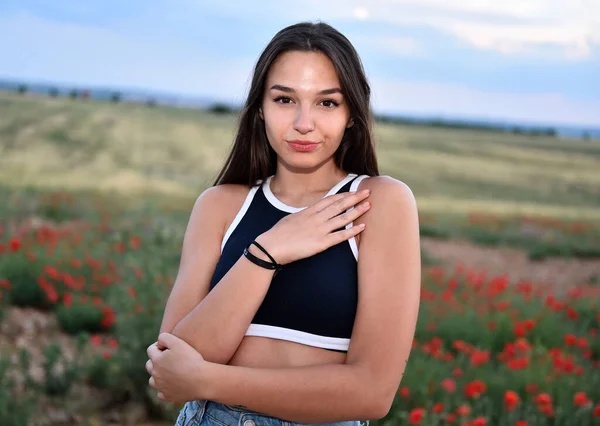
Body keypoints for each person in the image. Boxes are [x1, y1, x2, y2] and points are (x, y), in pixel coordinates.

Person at [145, 21, 421, 426]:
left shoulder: (377, 203)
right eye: (285, 99)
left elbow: (372, 392)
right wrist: (266, 254)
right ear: (260, 108)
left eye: (327, 103)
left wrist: (208, 380)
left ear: (351, 115)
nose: (303, 122)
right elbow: (172, 365)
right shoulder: (219, 206)